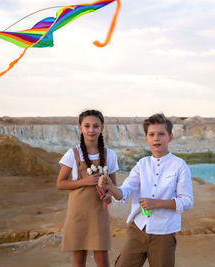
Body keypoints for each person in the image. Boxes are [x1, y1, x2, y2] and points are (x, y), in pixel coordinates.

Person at [98, 113, 193, 267]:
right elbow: (125, 192)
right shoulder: (142, 164)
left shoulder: (179, 165)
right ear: (146, 139)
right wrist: (110, 187)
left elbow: (187, 201)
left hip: (164, 233)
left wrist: (157, 203)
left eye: (161, 134)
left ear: (170, 137)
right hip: (138, 229)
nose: (156, 138)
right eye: (152, 134)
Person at [57, 109, 118, 267]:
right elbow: (61, 183)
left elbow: (114, 187)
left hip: (99, 212)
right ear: (80, 128)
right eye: (87, 126)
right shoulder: (73, 153)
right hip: (78, 213)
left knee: (103, 260)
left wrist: (109, 196)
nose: (91, 130)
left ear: (102, 128)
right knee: (79, 260)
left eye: (96, 126)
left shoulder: (110, 155)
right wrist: (85, 181)